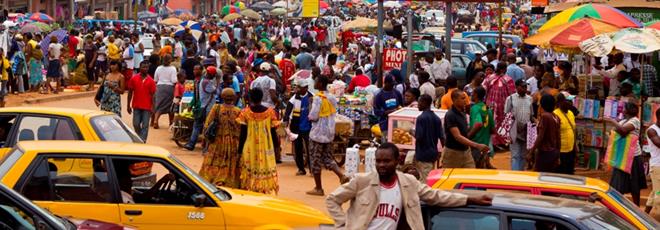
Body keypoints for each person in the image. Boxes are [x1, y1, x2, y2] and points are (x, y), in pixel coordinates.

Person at [325, 143, 493, 229]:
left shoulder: (408, 183)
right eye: (378, 161)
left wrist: (470, 199)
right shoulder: (362, 181)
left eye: (386, 161)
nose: (381, 165)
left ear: (397, 161)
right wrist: (343, 225)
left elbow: (437, 196)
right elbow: (332, 200)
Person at [306, 75, 350, 196]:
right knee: (328, 158)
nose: (314, 83)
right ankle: (341, 175)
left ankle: (318, 188)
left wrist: (310, 108)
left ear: (320, 84)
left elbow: (313, 116)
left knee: (315, 160)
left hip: (317, 133)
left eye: (316, 81)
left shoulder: (317, 98)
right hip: (329, 132)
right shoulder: (331, 97)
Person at [237, 88, 280, 194]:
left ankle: (251, 190)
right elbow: (273, 132)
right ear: (262, 98)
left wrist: (239, 150)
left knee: (250, 169)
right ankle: (262, 191)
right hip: (266, 147)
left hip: (249, 148)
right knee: (265, 168)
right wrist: (276, 147)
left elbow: (243, 134)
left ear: (250, 98)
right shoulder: (270, 112)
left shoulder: (245, 113)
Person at [604, 102, 647, 206]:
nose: (622, 109)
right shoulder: (623, 121)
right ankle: (618, 207)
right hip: (622, 156)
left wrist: (612, 121)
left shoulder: (635, 121)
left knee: (634, 184)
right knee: (618, 183)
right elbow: (615, 131)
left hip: (633, 157)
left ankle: (636, 207)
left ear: (628, 110)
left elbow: (623, 131)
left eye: (624, 107)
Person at [200, 88, 242, 188]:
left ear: (222, 97)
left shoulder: (216, 108)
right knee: (230, 162)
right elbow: (241, 129)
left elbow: (207, 125)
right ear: (234, 98)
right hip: (233, 144)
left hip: (217, 142)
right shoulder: (238, 111)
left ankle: (212, 181)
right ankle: (228, 182)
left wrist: (204, 140)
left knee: (214, 161)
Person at [443, 89, 489, 168]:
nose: (465, 101)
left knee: (470, 176)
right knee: (452, 177)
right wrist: (476, 145)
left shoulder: (462, 112)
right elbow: (457, 136)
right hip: (453, 153)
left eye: (465, 98)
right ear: (454, 100)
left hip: (466, 151)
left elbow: (464, 131)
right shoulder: (450, 115)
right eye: (463, 98)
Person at [283, 78, 313, 176]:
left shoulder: (311, 97)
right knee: (298, 148)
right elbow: (288, 111)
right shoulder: (294, 98)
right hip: (296, 126)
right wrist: (286, 120)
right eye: (299, 87)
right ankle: (301, 169)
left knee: (310, 149)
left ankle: (312, 169)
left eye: (302, 88)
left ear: (306, 88)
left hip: (308, 126)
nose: (299, 89)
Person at [184, 67, 218, 151]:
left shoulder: (202, 81)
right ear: (211, 74)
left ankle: (191, 144)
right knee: (208, 127)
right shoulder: (207, 83)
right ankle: (206, 148)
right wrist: (218, 82)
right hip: (207, 109)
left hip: (202, 107)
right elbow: (217, 91)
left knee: (197, 126)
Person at [483, 62, 515, 147]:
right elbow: (512, 94)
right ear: (504, 69)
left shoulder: (489, 78)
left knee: (491, 122)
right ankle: (501, 142)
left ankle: (493, 142)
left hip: (490, 105)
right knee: (502, 123)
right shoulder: (508, 79)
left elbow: (483, 90)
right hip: (503, 106)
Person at [504, 79, 534, 171]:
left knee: (523, 155)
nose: (525, 88)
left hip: (526, 131)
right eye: (523, 86)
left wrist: (535, 123)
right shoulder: (511, 98)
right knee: (515, 155)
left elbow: (531, 115)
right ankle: (515, 175)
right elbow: (506, 114)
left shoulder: (529, 98)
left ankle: (521, 174)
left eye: (525, 86)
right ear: (516, 87)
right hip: (514, 130)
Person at [414, 95, 444, 182]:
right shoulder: (437, 118)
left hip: (423, 153)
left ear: (425, 103)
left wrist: (412, 132)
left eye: (419, 102)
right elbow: (442, 137)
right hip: (432, 153)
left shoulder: (421, 118)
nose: (418, 105)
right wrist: (442, 153)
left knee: (425, 179)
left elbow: (419, 137)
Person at [528, 94, 560, 172]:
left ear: (542, 105)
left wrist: (531, 151)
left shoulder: (545, 116)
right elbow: (558, 136)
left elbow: (540, 136)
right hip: (554, 152)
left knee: (538, 175)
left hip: (545, 152)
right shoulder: (556, 117)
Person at [127, 61, 156, 142]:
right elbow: (130, 92)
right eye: (143, 67)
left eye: (147, 67)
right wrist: (128, 105)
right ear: (139, 67)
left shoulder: (151, 81)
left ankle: (142, 141)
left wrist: (153, 107)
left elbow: (153, 95)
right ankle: (140, 137)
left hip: (147, 107)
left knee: (145, 125)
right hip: (136, 106)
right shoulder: (134, 78)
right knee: (135, 124)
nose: (145, 69)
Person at [468, 87, 495, 169]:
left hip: (476, 144)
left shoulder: (475, 108)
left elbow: (478, 124)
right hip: (485, 145)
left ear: (475, 95)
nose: (471, 95)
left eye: (472, 93)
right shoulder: (487, 109)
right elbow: (493, 129)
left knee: (475, 169)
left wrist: (468, 137)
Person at [373, 75, 403, 143]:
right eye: (391, 84)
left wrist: (399, 110)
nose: (393, 86)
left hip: (396, 124)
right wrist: (385, 113)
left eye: (393, 84)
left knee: (396, 142)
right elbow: (376, 111)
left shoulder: (397, 93)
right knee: (386, 143)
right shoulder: (379, 96)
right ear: (386, 83)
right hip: (385, 124)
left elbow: (401, 105)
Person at [152, 54, 178, 129]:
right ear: (170, 60)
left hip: (159, 88)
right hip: (169, 88)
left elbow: (155, 80)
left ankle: (156, 120)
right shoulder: (173, 68)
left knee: (159, 105)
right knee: (170, 106)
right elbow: (174, 80)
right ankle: (171, 122)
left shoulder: (158, 68)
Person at [554, 93, 577, 175]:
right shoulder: (555, 114)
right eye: (568, 101)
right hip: (561, 152)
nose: (571, 103)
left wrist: (575, 146)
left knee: (570, 174)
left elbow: (574, 130)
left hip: (570, 150)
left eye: (571, 100)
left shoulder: (571, 113)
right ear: (560, 102)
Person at [645, 108, 660, 213]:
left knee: (655, 192)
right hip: (657, 167)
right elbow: (659, 144)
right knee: (659, 195)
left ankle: (644, 216)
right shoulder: (652, 130)